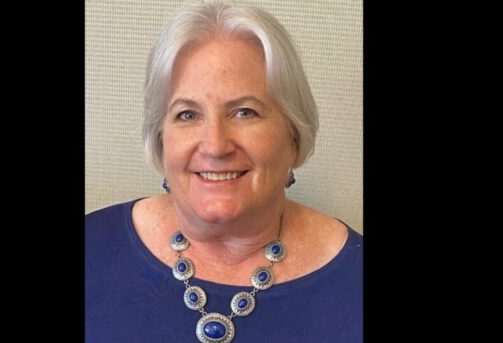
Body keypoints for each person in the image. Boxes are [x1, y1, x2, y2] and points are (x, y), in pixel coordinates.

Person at [85, 1, 362, 342]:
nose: (215, 146)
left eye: (245, 112)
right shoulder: (92, 248)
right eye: (187, 114)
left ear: (293, 135)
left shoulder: (355, 281)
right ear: (161, 140)